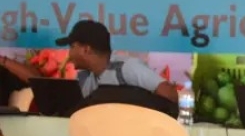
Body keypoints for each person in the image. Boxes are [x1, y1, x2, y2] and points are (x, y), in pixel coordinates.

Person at [0, 21, 178, 104]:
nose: (69, 54)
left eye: (72, 47)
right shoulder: (86, 77)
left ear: (86, 49)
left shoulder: (126, 68)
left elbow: (169, 93)